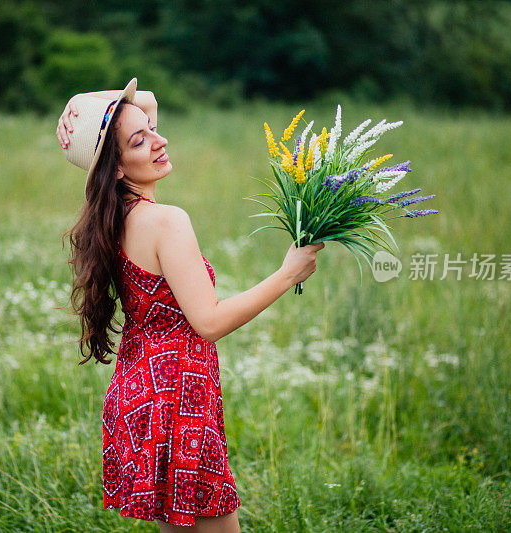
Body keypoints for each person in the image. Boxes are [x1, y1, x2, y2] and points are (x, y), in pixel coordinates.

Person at [57, 78, 324, 533]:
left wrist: (107, 114)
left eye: (152, 129)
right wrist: (287, 274)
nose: (159, 140)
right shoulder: (166, 221)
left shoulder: (117, 219)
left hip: (142, 393)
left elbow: (148, 102)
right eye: (139, 140)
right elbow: (209, 322)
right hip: (179, 398)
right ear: (117, 167)